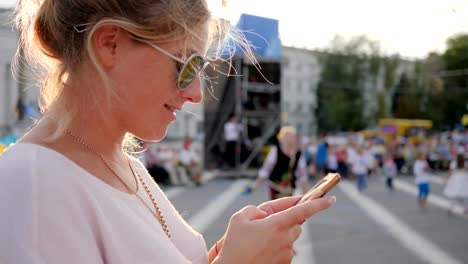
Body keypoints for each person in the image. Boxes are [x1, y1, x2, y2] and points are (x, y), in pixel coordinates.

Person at [0, 0, 336, 263]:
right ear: (110, 44)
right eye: (187, 65)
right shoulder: (30, 184)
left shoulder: (124, 165)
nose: (196, 93)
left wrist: (228, 253)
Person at [252, 126, 309, 200]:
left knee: (288, 208)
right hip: (276, 185)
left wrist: (306, 192)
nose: (291, 139)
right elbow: (266, 168)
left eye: (293, 137)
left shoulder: (298, 154)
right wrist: (256, 184)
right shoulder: (276, 151)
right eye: (289, 136)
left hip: (290, 188)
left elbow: (302, 174)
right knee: (276, 207)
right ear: (283, 138)